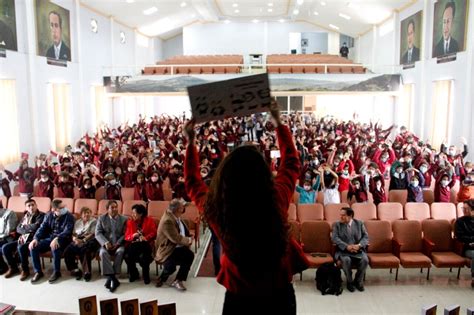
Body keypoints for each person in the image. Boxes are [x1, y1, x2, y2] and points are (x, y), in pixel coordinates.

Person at [184, 100, 308, 314]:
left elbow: (193, 183)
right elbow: (291, 163)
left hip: (239, 298)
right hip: (279, 296)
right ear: (263, 173)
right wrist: (278, 121)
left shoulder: (217, 209)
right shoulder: (276, 199)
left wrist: (191, 141)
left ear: (225, 177)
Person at [29, 199, 74, 284]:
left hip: (63, 239)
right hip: (50, 238)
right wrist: (36, 238)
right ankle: (38, 272)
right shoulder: (49, 215)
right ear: (54, 209)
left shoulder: (69, 216)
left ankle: (57, 272)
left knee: (55, 246)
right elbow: (42, 228)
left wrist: (57, 238)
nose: (65, 208)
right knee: (33, 247)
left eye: (64, 206)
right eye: (62, 207)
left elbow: (67, 231)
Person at [155, 199, 194, 291]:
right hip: (167, 250)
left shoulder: (175, 215)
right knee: (170, 267)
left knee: (189, 255)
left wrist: (188, 236)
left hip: (177, 247)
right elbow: (175, 238)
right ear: (178, 209)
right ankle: (162, 278)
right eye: (182, 207)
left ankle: (178, 280)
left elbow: (182, 230)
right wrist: (188, 240)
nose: (184, 208)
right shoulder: (167, 221)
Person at [1, 199, 44, 280]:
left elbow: (36, 227)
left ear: (36, 205)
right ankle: (13, 268)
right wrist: (27, 228)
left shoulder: (41, 215)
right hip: (22, 239)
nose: (31, 207)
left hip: (33, 239)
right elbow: (18, 229)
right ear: (26, 208)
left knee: (21, 247)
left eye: (33, 205)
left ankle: (25, 270)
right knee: (5, 247)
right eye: (29, 206)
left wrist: (24, 227)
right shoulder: (25, 216)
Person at [332, 207, 369, 292]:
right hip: (343, 251)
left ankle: (358, 281)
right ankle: (350, 282)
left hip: (358, 250)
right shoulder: (337, 225)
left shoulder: (359, 223)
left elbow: (366, 237)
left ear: (350, 216)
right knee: (346, 260)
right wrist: (346, 246)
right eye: (340, 215)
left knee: (365, 260)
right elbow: (335, 238)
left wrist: (359, 245)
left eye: (343, 215)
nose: (340, 217)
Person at [95, 200, 127, 292]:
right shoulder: (101, 218)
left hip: (118, 244)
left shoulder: (124, 219)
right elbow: (97, 233)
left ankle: (112, 278)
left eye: (116, 207)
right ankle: (113, 279)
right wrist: (105, 243)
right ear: (107, 209)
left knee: (120, 252)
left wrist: (117, 243)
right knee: (103, 253)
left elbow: (125, 234)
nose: (115, 209)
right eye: (112, 207)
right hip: (106, 245)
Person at [63, 207, 98, 282]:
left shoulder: (94, 221)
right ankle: (75, 270)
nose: (87, 214)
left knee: (85, 250)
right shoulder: (78, 222)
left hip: (89, 240)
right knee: (67, 251)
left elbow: (92, 234)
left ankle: (87, 272)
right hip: (77, 239)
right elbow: (74, 233)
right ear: (81, 215)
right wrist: (74, 239)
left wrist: (82, 240)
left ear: (91, 214)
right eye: (85, 213)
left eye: (88, 212)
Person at [125, 203, 156, 285]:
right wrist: (133, 236)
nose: (132, 215)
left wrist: (146, 237)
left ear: (141, 214)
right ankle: (134, 273)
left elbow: (153, 233)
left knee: (144, 252)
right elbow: (127, 236)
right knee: (129, 254)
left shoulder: (149, 220)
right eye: (132, 213)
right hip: (134, 244)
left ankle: (145, 275)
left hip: (146, 244)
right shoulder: (130, 222)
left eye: (134, 213)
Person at [454, 199, 474, 288]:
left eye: (467, 209)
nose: (464, 211)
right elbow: (460, 237)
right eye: (463, 208)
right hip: (467, 247)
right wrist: (471, 241)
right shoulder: (460, 222)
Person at [0, 201, 17, 275]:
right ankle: (3, 265)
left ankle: (6, 267)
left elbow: (10, 229)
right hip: (1, 237)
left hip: (8, 238)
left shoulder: (10, 213)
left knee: (4, 247)